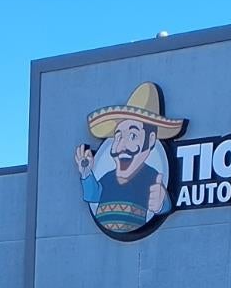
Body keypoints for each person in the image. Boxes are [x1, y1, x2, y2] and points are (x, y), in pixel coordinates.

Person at [75, 82, 185, 236]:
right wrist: (86, 174)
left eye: (132, 136)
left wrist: (162, 205)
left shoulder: (152, 178)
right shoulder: (107, 177)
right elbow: (93, 196)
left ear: (151, 140)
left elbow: (161, 201)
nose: (120, 147)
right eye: (118, 136)